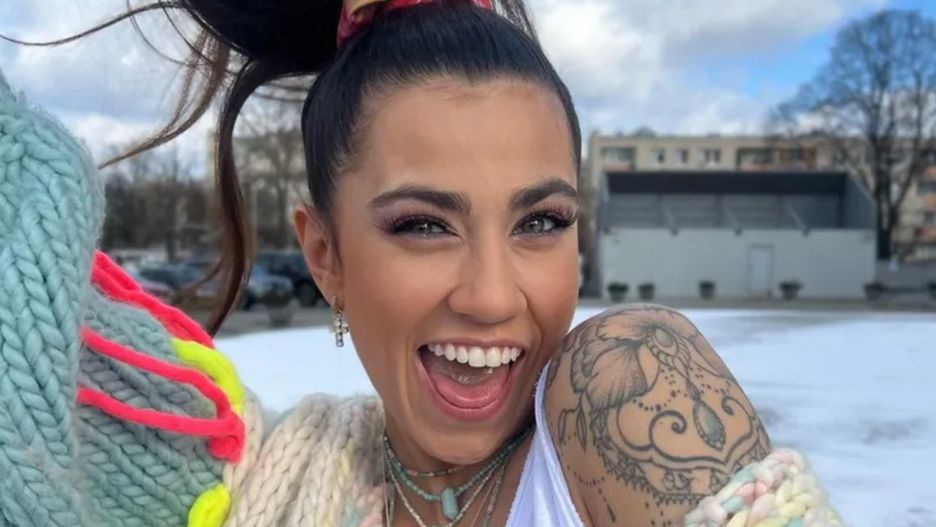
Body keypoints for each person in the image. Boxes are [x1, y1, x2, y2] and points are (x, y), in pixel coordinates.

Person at [0, 1, 842, 526]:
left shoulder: (634, 389)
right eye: (424, 226)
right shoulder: (258, 474)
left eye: (541, 221)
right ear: (324, 255)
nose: (491, 295)